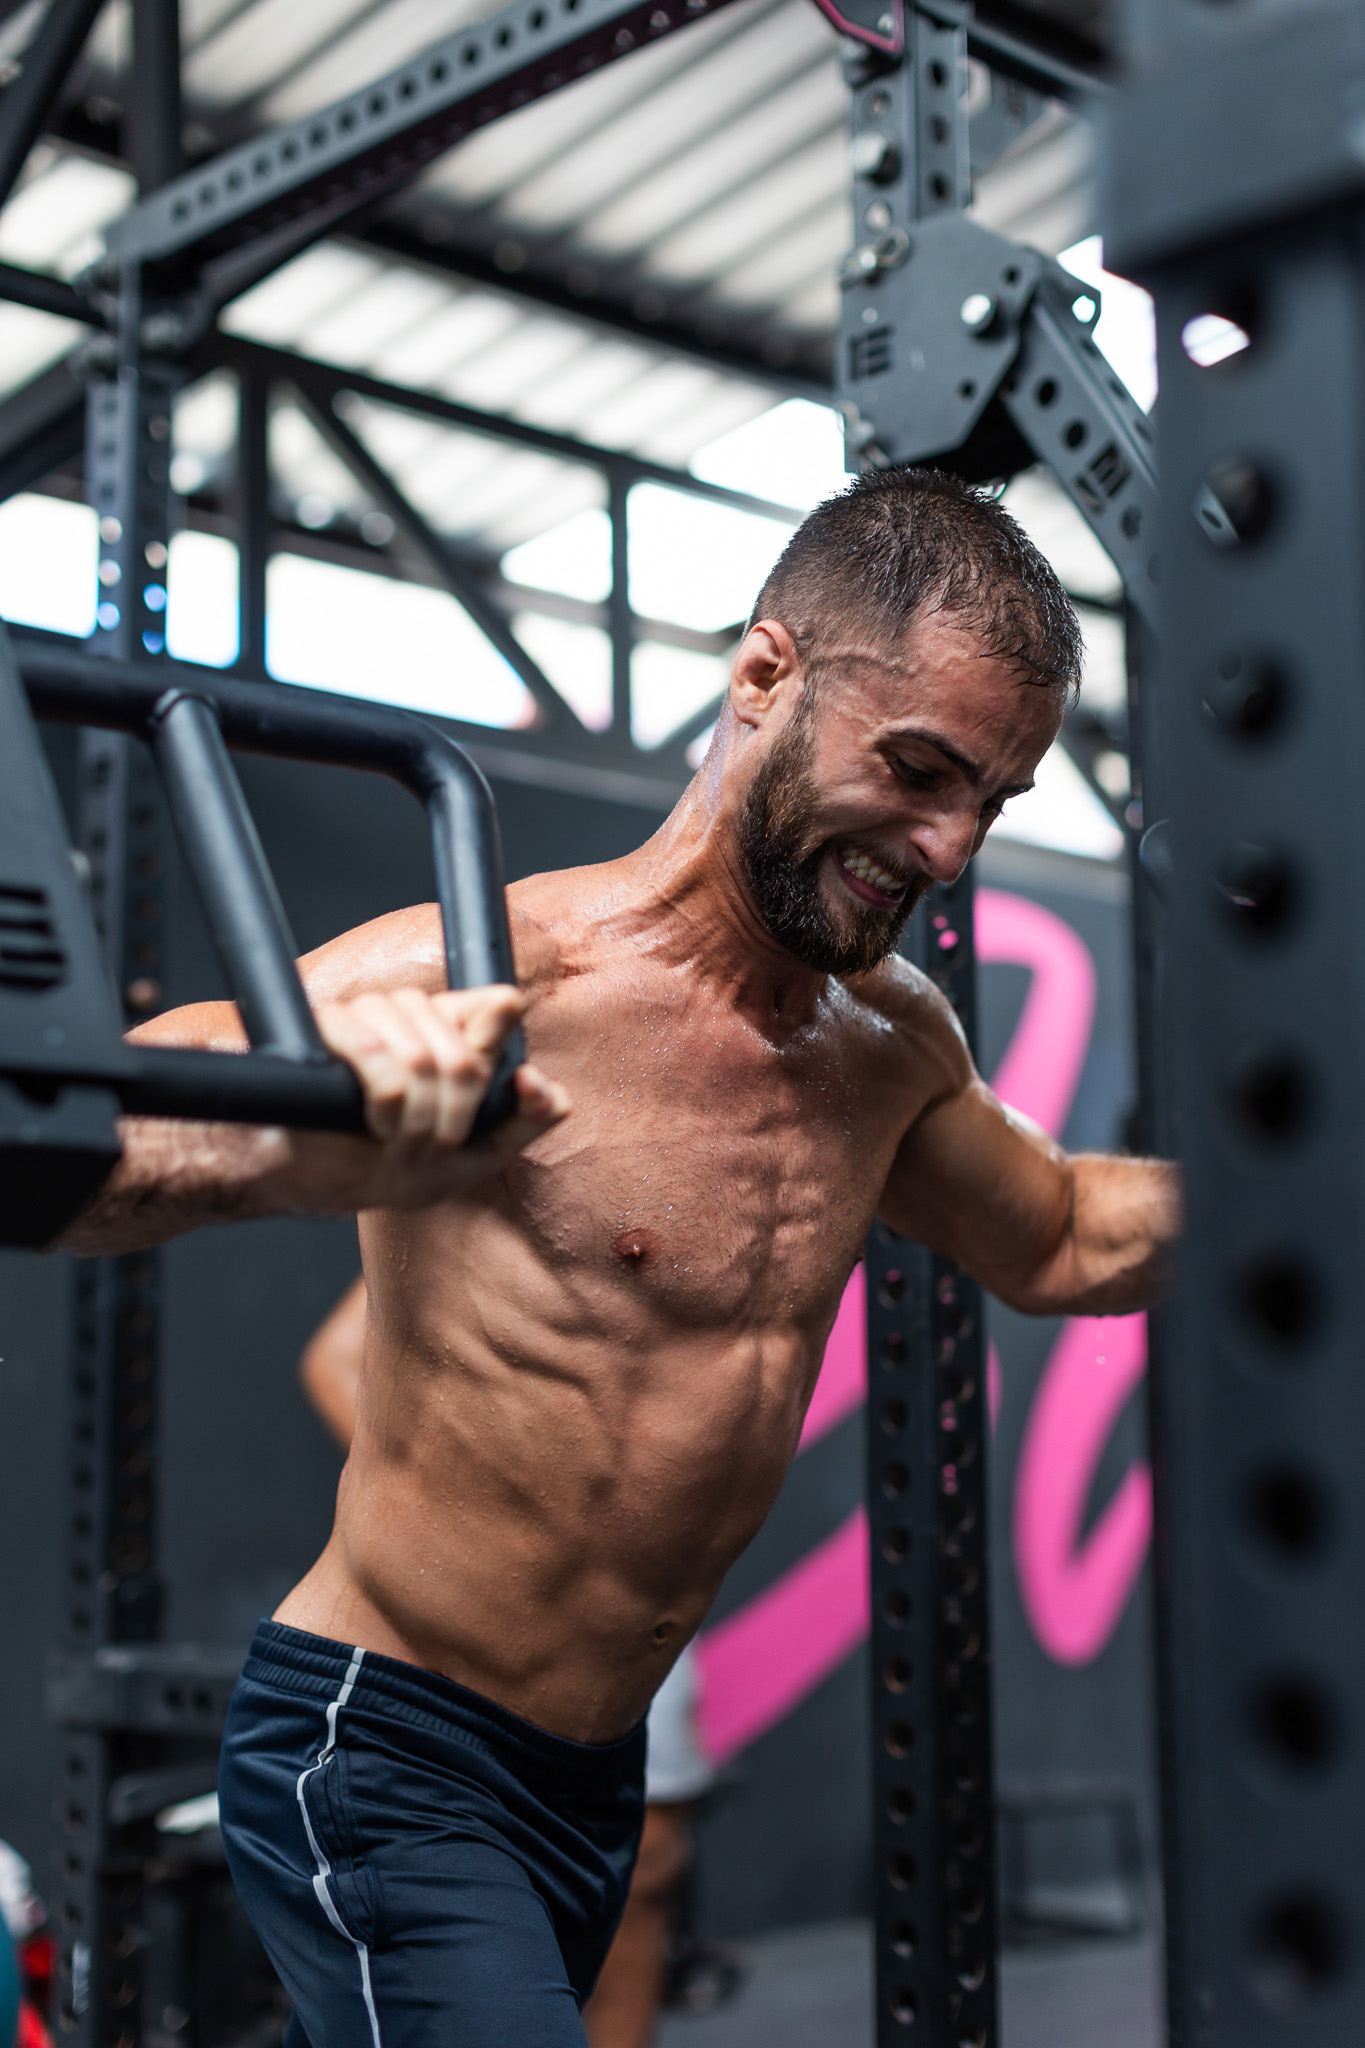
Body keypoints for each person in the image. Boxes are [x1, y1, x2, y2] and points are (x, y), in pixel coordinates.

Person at [58, 467, 1180, 2047]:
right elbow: (80, 1146)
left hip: (590, 1773)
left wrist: (1300, 1183)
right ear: (766, 675)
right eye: (918, 770)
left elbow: (1058, 1232)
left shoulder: (888, 1048)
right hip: (382, 1746)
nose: (945, 849)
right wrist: (291, 1143)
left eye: (989, 805)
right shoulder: (505, 971)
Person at [298, 1280, 715, 2048]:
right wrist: (492, 1524)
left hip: (640, 1592)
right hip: (507, 1609)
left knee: (647, 1868)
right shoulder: (505, 1220)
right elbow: (335, 1359)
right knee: (479, 1892)